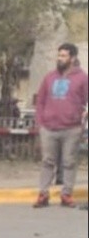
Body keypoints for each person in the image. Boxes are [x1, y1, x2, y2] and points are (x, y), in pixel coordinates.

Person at [33, 43, 88, 208]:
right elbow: (40, 100)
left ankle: (66, 195)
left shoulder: (82, 78)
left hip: (72, 128)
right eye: (59, 55)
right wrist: (41, 122)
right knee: (47, 161)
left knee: (69, 162)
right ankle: (43, 194)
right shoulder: (50, 77)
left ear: (72, 58)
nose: (60, 59)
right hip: (49, 128)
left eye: (63, 56)